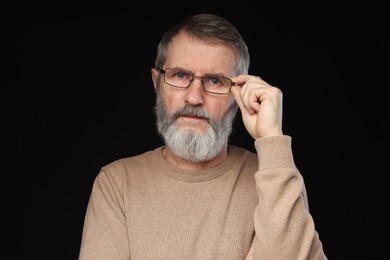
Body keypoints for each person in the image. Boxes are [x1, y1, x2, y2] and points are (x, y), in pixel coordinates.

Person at [78, 13, 327, 259]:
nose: (194, 97)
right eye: (180, 76)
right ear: (157, 83)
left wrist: (272, 138)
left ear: (237, 93)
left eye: (215, 81)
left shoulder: (275, 176)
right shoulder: (116, 183)